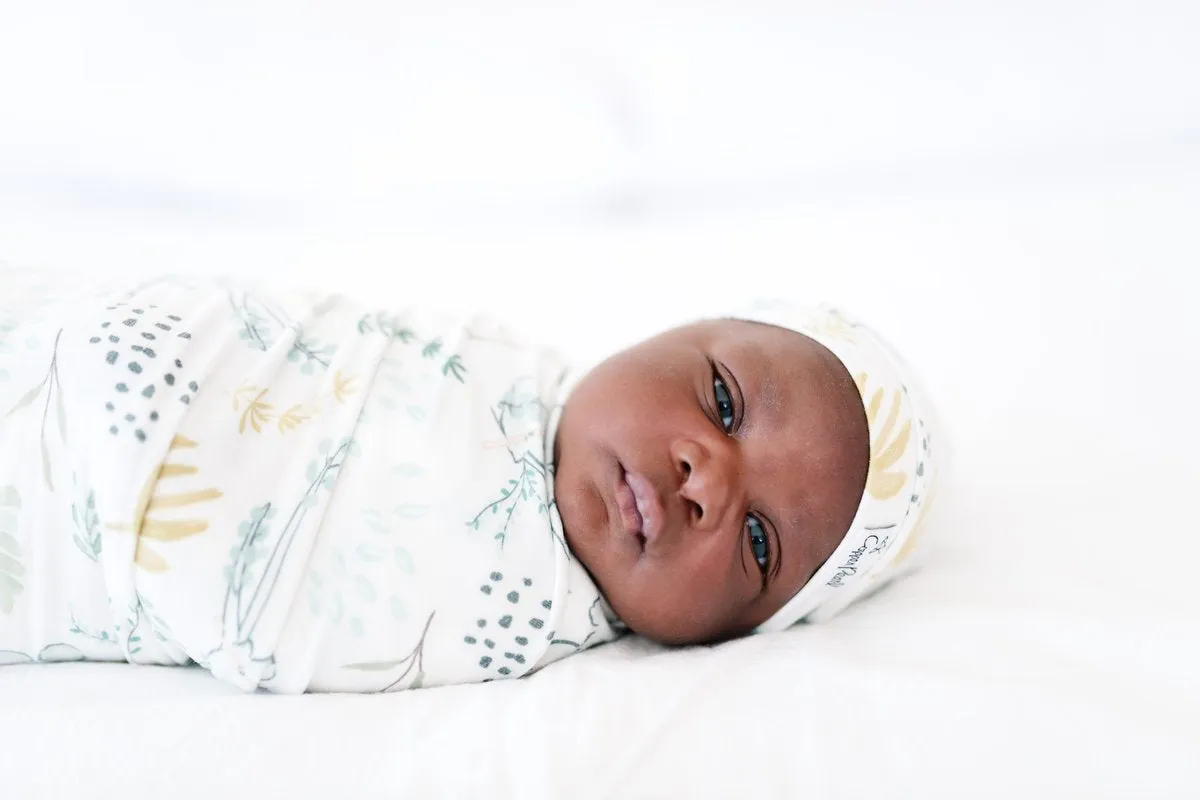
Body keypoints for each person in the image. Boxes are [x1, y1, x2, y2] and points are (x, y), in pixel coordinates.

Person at [0, 268, 937, 693]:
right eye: (724, 402)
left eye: (759, 543)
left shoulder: (528, 612)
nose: (709, 483)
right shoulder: (500, 358)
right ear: (675, 327)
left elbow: (275, 611)